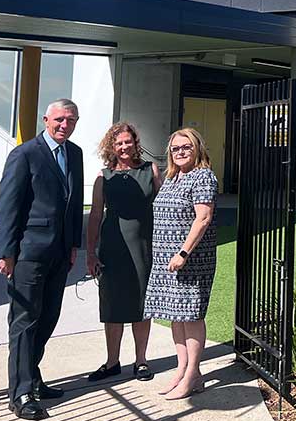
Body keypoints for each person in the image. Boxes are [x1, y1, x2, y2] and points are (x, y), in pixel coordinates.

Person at [0, 98, 83, 421]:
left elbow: (74, 203)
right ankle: (19, 393)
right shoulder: (24, 154)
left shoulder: (75, 154)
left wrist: (74, 243)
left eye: (71, 120)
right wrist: (6, 252)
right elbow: (8, 206)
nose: (64, 125)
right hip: (29, 254)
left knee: (48, 318)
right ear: (46, 119)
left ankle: (32, 377)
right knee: (24, 322)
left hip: (61, 253)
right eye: (59, 119)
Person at [144, 128, 218, 399]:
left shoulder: (203, 176)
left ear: (197, 147)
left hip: (191, 260)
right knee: (176, 315)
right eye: (176, 148)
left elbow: (203, 218)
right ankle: (182, 369)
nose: (181, 151)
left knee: (191, 314)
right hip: (167, 259)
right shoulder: (173, 177)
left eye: (186, 146)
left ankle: (193, 375)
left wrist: (183, 253)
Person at [85, 122, 161, 382]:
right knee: (112, 304)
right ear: (111, 147)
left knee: (141, 304)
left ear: (135, 142)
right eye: (118, 143)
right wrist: (91, 253)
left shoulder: (150, 170)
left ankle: (141, 361)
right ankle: (112, 361)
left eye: (128, 141)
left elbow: (162, 209)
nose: (124, 146)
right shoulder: (103, 176)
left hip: (143, 245)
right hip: (112, 247)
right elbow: (95, 215)